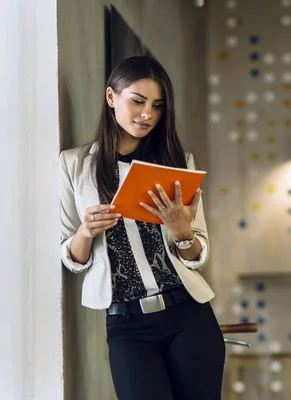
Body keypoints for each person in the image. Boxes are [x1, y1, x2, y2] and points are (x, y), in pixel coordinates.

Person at [59, 55, 225, 400]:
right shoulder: (74, 165)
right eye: (137, 101)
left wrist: (182, 232)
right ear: (111, 97)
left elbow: (198, 256)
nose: (147, 114)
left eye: (157, 106)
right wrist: (85, 232)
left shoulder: (178, 162)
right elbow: (71, 258)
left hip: (188, 316)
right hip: (126, 326)